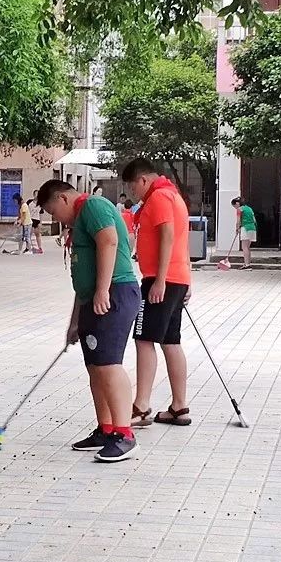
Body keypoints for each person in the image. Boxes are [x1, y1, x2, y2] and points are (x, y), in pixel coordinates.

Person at [36, 180, 141, 462]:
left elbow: (109, 241)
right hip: (94, 298)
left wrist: (103, 290)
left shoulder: (94, 206)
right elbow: (82, 280)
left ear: (63, 198)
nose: (54, 218)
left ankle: (125, 434)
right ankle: (106, 429)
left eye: (52, 210)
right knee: (95, 366)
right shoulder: (81, 218)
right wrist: (75, 321)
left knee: (108, 364)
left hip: (115, 292)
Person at [121, 158, 192, 428]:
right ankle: (179, 407)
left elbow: (168, 236)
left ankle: (141, 406)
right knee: (171, 341)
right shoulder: (172, 195)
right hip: (177, 277)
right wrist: (186, 278)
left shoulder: (160, 197)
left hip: (161, 280)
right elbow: (181, 240)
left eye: (132, 187)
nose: (132, 193)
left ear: (143, 180)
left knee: (144, 338)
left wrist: (159, 281)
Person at [233, 197, 257, 270]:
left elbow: (238, 221)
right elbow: (254, 220)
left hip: (245, 228)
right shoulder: (249, 209)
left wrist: (237, 229)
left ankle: (247, 265)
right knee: (247, 247)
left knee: (244, 247)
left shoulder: (239, 209)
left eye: (234, 206)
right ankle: (247, 263)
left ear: (237, 203)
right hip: (252, 228)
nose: (235, 208)